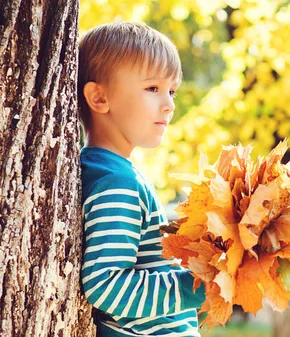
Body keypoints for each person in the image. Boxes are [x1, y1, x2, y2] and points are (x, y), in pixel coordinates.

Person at [78, 22, 205, 337]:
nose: (170, 104)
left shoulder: (110, 172)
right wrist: (198, 287)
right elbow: (105, 283)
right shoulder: (117, 183)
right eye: (153, 88)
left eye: (171, 90)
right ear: (98, 98)